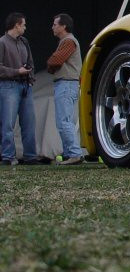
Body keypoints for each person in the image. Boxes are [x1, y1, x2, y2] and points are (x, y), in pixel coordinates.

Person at [0, 12, 45, 165]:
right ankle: (7, 156)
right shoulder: (2, 42)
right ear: (17, 25)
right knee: (8, 123)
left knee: (29, 122)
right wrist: (16, 71)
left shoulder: (24, 41)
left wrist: (30, 78)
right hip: (9, 85)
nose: (25, 27)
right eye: (23, 24)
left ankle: (30, 156)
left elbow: (30, 61)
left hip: (25, 85)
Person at [48, 13, 88, 165]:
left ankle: (74, 153)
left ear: (63, 26)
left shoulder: (68, 41)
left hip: (66, 83)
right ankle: (69, 154)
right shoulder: (67, 41)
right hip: (67, 84)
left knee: (64, 121)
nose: (53, 27)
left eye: (55, 24)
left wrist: (50, 64)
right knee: (64, 120)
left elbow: (56, 60)